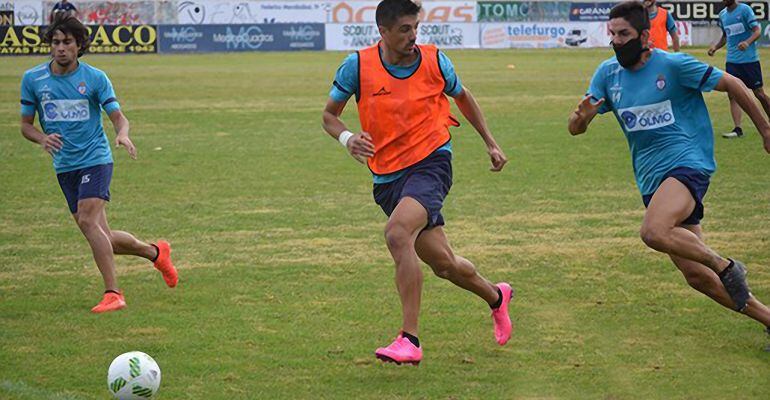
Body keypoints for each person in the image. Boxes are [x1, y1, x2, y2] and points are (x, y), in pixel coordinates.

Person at [568, 1, 770, 350]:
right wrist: (582, 117)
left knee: (653, 231)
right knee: (696, 276)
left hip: (688, 164)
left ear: (645, 36)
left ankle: (726, 265)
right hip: (651, 180)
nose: (616, 41)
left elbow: (735, 84)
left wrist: (766, 130)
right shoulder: (606, 74)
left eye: (624, 34)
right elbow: (575, 130)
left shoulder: (674, 65)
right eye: (612, 34)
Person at [321, 0, 513, 365]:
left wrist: (490, 142)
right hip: (387, 177)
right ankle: (496, 296)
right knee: (444, 264)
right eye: (404, 29)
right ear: (383, 31)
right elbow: (329, 116)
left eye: (415, 27)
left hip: (431, 163)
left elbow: (463, 97)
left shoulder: (434, 60)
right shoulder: (357, 66)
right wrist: (348, 139)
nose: (413, 36)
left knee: (396, 233)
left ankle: (409, 339)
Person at [19, 14, 178, 313]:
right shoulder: (33, 79)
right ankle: (156, 253)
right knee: (102, 237)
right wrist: (41, 138)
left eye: (67, 42)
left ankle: (113, 293)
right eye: (55, 42)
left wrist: (123, 134)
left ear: (79, 45)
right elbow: (25, 126)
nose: (61, 48)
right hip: (65, 166)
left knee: (89, 222)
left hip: (96, 158)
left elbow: (118, 117)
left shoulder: (95, 78)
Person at [708, 0, 770, 138]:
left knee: (759, 94)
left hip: (749, 60)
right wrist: (715, 48)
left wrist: (747, 43)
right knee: (732, 94)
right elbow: (726, 36)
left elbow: (757, 31)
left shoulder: (745, 10)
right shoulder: (723, 14)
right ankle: (737, 129)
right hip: (732, 61)